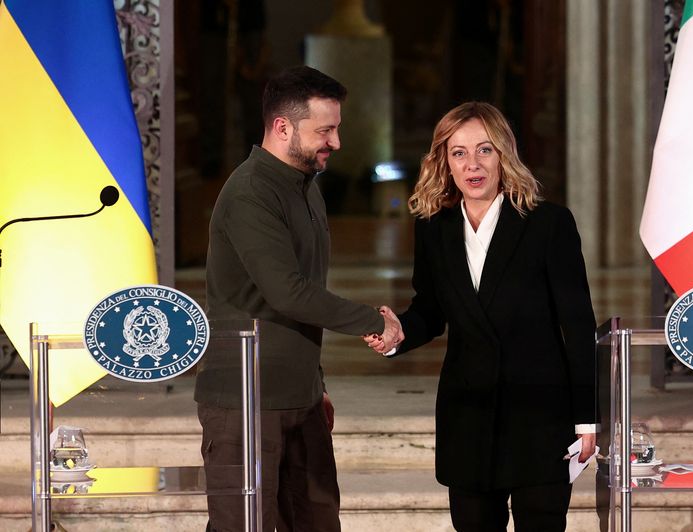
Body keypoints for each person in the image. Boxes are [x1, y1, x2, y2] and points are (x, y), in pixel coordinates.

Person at [366, 102, 597, 532]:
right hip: (468, 415)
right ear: (444, 162)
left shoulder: (549, 223)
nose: (472, 164)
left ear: (503, 155)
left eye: (484, 150)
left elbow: (579, 326)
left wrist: (587, 420)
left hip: (540, 417)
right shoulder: (434, 227)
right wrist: (398, 334)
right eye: (459, 153)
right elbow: (431, 311)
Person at [195, 65, 403, 532]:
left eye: (337, 129)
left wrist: (317, 381)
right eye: (325, 130)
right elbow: (288, 292)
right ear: (282, 127)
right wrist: (374, 320)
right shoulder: (250, 192)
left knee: (319, 522)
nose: (336, 142)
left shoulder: (306, 187)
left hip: (301, 397)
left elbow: (307, 291)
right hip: (245, 402)